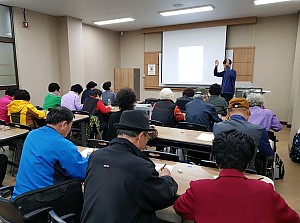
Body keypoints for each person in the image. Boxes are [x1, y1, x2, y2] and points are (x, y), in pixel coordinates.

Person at [174, 129, 300, 223]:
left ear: (216, 160)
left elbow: (180, 208)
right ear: (248, 163)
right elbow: (293, 219)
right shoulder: (265, 190)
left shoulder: (199, 188)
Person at [81, 110, 178, 223]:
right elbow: (165, 196)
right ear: (141, 136)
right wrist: (167, 177)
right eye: (147, 138)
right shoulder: (140, 166)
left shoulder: (95, 156)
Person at [12, 107, 88, 199]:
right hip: (42, 200)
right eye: (71, 125)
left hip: (19, 197)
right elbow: (81, 172)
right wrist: (90, 157)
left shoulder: (32, 134)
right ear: (64, 124)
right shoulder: (63, 144)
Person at [213, 98, 274, 171]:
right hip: (247, 171)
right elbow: (267, 153)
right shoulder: (259, 130)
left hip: (220, 170)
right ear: (249, 112)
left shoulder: (217, 126)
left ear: (227, 112)